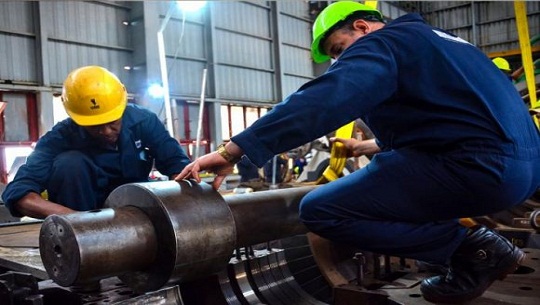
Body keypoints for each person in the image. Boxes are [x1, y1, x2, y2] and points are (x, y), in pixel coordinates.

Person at [176, 2, 540, 303]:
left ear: (363, 28)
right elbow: (447, 121)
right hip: (521, 173)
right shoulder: (445, 44)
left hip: (477, 170)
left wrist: (234, 150)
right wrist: (367, 146)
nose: (338, 61)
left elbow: (324, 99)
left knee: (322, 209)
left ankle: (471, 250)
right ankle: (470, 250)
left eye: (338, 50)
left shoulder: (384, 44)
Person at [2, 65, 190, 219]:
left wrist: (186, 206)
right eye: (95, 126)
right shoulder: (59, 138)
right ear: (76, 119)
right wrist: (77, 220)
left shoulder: (143, 121)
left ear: (122, 107)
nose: (106, 132)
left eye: (112, 122)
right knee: (69, 163)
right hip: (84, 217)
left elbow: (177, 165)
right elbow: (19, 193)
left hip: (139, 209)